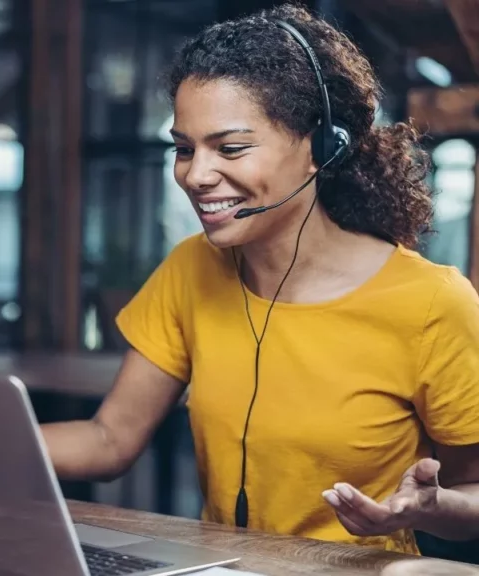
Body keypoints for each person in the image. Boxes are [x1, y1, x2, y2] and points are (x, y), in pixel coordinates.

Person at [42, 4, 479, 555]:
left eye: (230, 148)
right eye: (183, 149)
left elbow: (473, 491)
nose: (196, 176)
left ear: (321, 148)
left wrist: (433, 506)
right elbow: (109, 440)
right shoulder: (192, 267)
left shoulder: (432, 302)